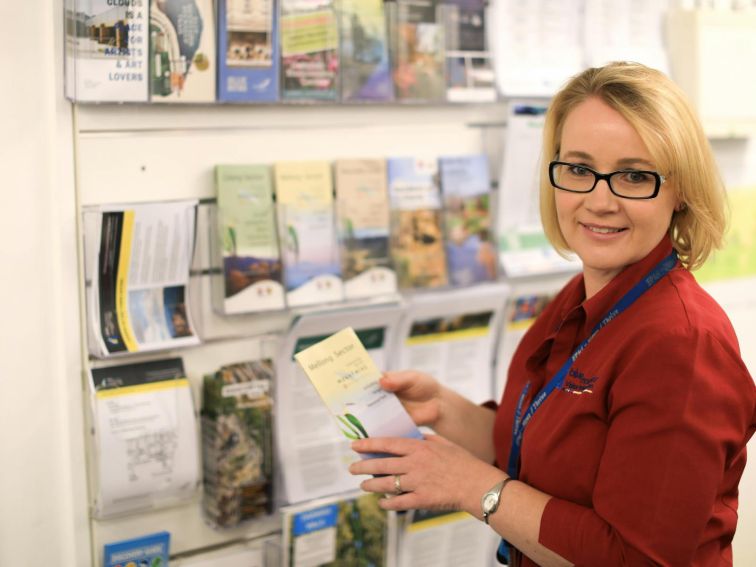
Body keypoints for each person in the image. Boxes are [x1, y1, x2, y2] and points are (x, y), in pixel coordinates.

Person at [348, 62, 756, 566]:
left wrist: (471, 485)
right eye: (580, 169)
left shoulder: (681, 343)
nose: (599, 201)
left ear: (680, 193)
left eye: (633, 175)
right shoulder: (581, 297)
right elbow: (546, 455)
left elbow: (637, 558)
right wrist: (446, 411)